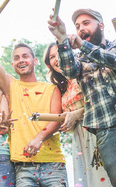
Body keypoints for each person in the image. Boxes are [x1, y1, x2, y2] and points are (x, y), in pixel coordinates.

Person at [48, 8, 116, 187]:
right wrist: (61, 39)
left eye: (86, 23)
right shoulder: (79, 58)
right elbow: (68, 71)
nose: (81, 29)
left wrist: (83, 45)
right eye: (77, 26)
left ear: (101, 25)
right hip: (107, 132)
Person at [0, 11, 68, 187]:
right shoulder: (11, 86)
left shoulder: (51, 89)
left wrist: (39, 138)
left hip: (52, 162)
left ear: (35, 61)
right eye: (16, 58)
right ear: (12, 65)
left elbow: (57, 120)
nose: (21, 60)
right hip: (23, 167)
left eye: (25, 56)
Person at [44, 43, 111, 187]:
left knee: (107, 178)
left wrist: (77, 114)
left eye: (59, 53)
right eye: (52, 57)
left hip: (99, 130)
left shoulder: (84, 74)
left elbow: (101, 101)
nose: (57, 59)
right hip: (79, 139)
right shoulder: (61, 88)